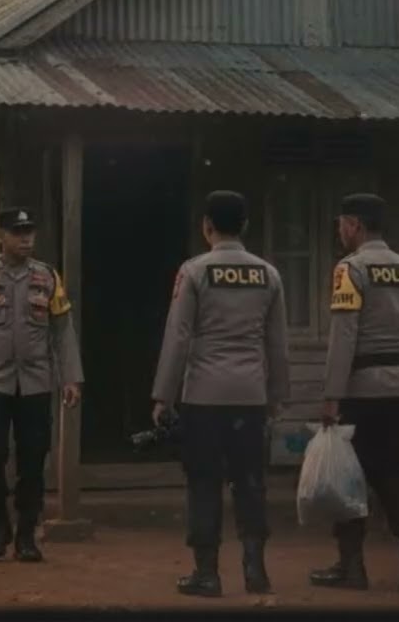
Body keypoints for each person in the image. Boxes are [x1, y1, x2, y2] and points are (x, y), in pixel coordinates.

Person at [150, 191, 290, 597]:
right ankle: (255, 569)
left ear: (206, 226)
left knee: (204, 482)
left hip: (204, 398)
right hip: (250, 395)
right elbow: (277, 344)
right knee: (250, 481)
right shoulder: (269, 274)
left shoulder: (194, 272)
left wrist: (164, 396)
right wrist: (277, 396)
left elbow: (178, 337)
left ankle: (207, 573)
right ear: (245, 226)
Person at [0, 207, 84, 563]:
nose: (25, 239)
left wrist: (70, 377)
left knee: (33, 460)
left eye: (29, 232)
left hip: (36, 384)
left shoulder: (47, 277)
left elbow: (62, 330)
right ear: (1, 236)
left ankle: (26, 534)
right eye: (17, 232)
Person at [308, 193, 399, 593]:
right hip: (398, 386)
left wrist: (331, 396)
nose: (340, 232)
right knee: (392, 471)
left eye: (342, 224)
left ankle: (351, 566)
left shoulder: (350, 269)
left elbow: (343, 337)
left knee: (349, 476)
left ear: (355, 225)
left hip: (360, 389)